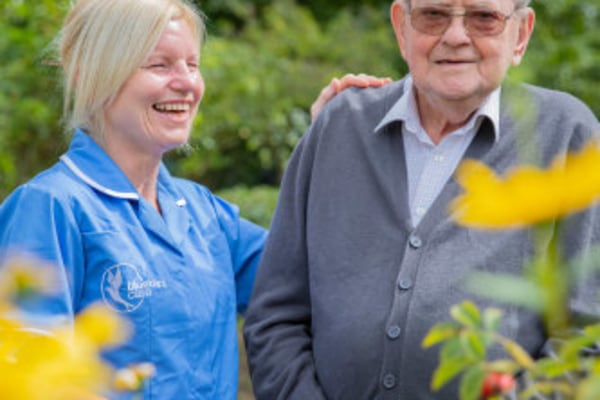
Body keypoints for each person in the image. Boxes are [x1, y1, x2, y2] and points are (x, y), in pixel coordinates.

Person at [0, 0, 388, 398]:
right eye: (160, 65)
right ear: (90, 78)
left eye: (192, 64)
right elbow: (26, 382)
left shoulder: (206, 215)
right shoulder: (49, 208)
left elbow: (315, 275)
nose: (187, 83)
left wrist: (331, 143)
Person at [243, 0, 600, 399]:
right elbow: (276, 318)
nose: (455, 36)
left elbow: (587, 338)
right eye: (434, 14)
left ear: (520, 34)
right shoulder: (339, 127)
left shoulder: (566, 134)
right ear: (402, 27)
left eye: (484, 18)